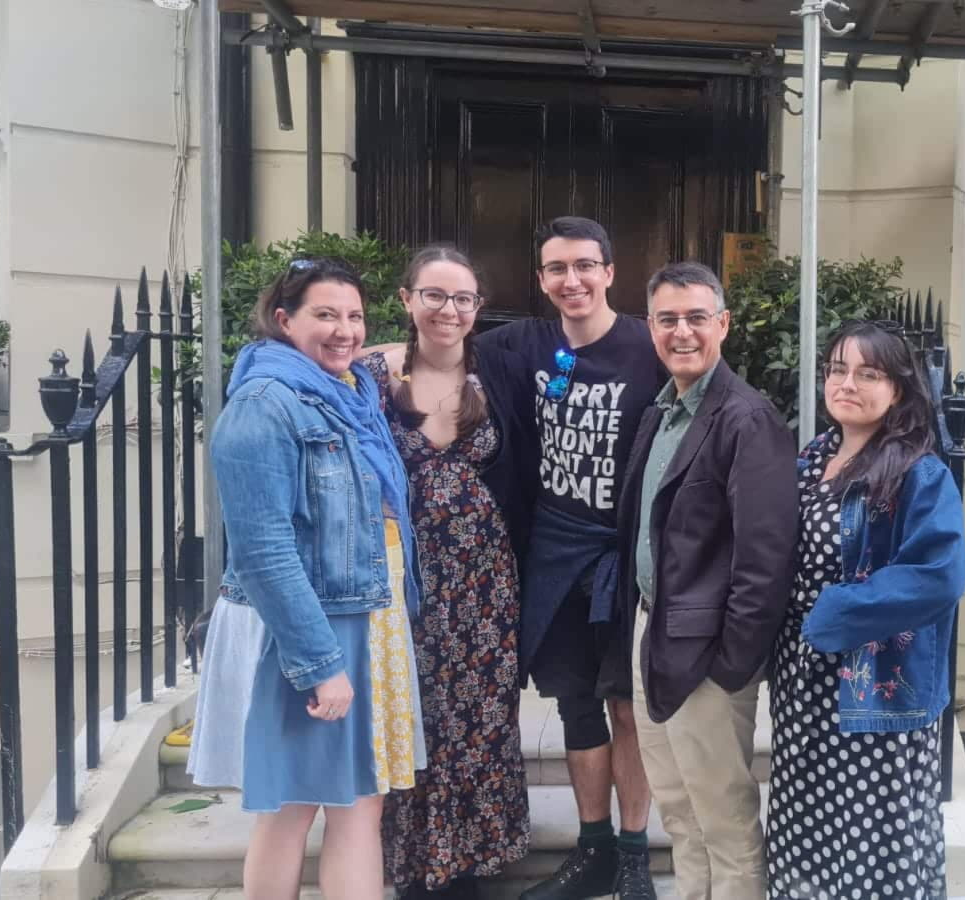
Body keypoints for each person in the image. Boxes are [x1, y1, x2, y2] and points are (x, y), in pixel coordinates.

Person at [189, 257, 425, 899]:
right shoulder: (263, 406)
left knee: (359, 803)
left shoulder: (349, 394)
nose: (345, 330)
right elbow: (263, 551)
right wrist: (320, 663)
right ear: (284, 320)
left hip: (365, 615)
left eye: (354, 316)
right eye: (325, 314)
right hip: (309, 627)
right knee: (292, 807)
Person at [473, 217, 668, 900]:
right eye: (557, 268)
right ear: (542, 279)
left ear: (610, 272)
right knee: (576, 705)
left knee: (628, 707)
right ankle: (594, 851)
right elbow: (434, 343)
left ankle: (635, 854)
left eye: (585, 265)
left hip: (626, 555)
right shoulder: (523, 343)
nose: (572, 279)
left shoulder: (648, 344)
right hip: (555, 552)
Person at [765, 320, 965, 900]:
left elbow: (938, 574)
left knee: (871, 841)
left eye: (868, 373)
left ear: (897, 389)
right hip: (802, 681)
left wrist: (835, 612)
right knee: (806, 826)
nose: (847, 383)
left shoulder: (917, 473)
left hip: (876, 688)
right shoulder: (812, 458)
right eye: (837, 370)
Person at [617, 261, 798, 899]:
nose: (682, 332)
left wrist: (732, 665)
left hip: (710, 656)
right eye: (667, 319)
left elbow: (765, 558)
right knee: (679, 811)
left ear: (723, 324)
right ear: (650, 327)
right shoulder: (661, 412)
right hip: (654, 634)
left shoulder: (748, 419)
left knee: (723, 819)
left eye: (696, 317)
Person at [365, 245, 530, 898]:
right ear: (407, 300)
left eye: (462, 298)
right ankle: (415, 864)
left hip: (486, 580)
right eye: (433, 295)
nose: (449, 310)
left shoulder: (500, 373)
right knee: (412, 712)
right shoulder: (372, 375)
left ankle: (470, 862)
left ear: (477, 308)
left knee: (479, 717)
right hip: (401, 576)